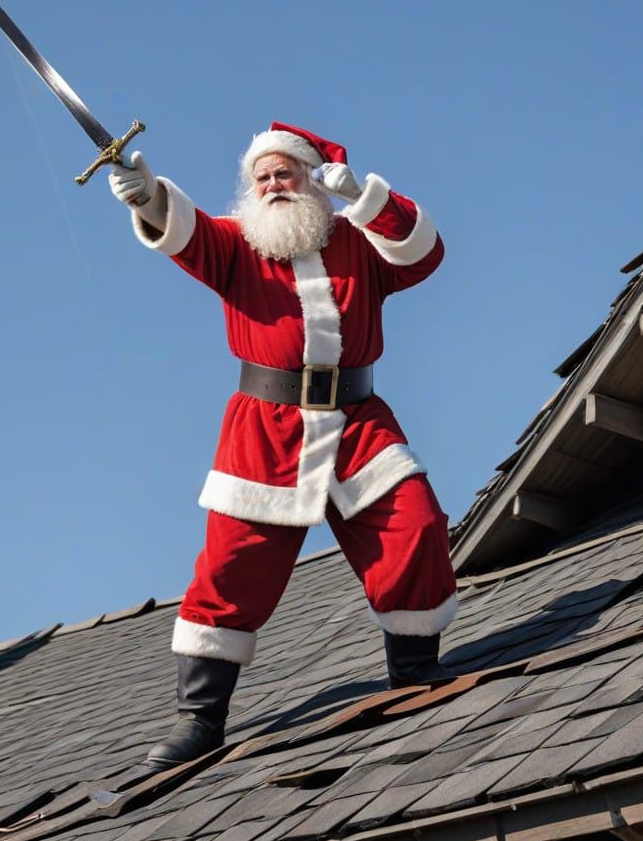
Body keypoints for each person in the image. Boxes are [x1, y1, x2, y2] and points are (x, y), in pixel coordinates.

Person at [108, 122, 457, 767]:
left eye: (285, 173)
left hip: (359, 421)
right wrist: (148, 196)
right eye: (261, 177)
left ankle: (414, 671)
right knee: (232, 565)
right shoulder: (235, 245)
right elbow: (183, 232)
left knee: (414, 525)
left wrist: (367, 198)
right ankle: (200, 718)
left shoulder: (358, 240)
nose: (273, 185)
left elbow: (424, 253)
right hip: (266, 429)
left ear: (312, 180)